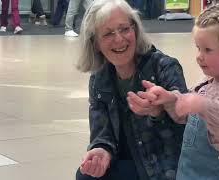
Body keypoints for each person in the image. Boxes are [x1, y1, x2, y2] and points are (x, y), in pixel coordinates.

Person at [129, 2, 219, 180]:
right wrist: (171, 99)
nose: (199, 56)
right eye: (198, 48)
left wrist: (202, 105)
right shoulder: (208, 83)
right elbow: (185, 116)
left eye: (208, 50)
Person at [75, 0, 187, 179]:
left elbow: (186, 117)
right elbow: (101, 133)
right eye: (108, 33)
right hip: (126, 162)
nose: (119, 39)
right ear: (95, 43)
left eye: (124, 29)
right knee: (86, 175)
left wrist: (168, 106)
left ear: (135, 29)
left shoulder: (164, 66)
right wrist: (101, 151)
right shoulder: (99, 79)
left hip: (162, 166)